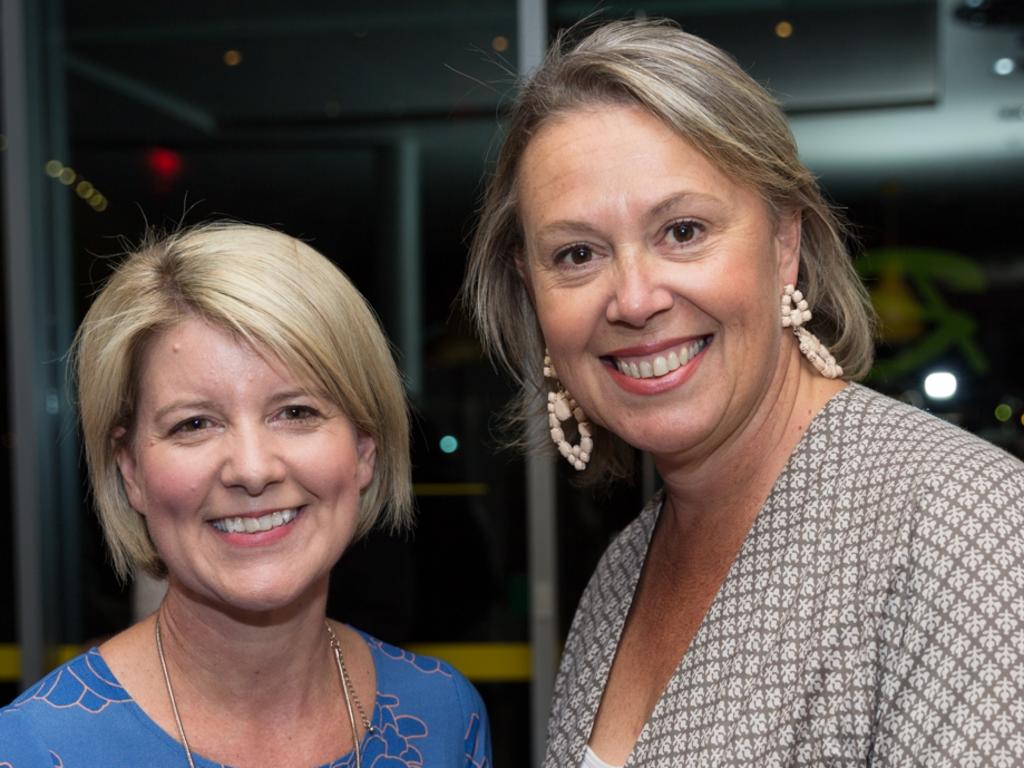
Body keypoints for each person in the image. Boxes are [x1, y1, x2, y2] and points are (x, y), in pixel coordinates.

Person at [464, 18, 1024, 768]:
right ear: (532, 292)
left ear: (784, 243)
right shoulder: (624, 568)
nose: (633, 298)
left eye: (683, 231)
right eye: (577, 253)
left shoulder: (963, 522)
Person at [0, 222, 492, 767]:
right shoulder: (33, 748)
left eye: (296, 412)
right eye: (194, 424)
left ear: (364, 450)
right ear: (132, 470)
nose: (252, 470)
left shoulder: (443, 717)